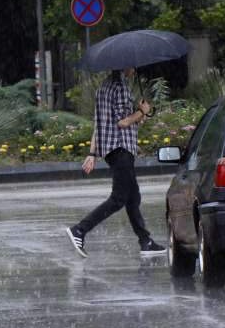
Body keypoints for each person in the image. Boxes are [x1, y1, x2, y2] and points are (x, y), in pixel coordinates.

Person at [65, 67, 166, 258]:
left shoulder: (104, 87)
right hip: (121, 150)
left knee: (133, 197)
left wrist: (92, 153)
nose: (134, 69)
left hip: (111, 150)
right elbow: (123, 122)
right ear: (125, 66)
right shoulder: (120, 87)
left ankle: (145, 241)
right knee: (119, 199)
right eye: (132, 66)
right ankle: (80, 230)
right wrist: (142, 111)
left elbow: (100, 123)